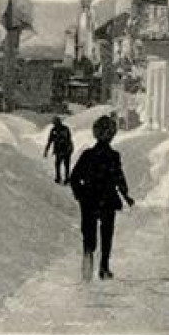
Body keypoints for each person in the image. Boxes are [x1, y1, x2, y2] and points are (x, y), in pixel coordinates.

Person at [68, 114, 133, 280]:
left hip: (90, 199)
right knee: (106, 234)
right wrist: (126, 195)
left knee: (89, 232)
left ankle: (88, 258)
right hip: (107, 199)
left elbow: (74, 177)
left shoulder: (88, 155)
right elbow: (119, 178)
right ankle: (104, 267)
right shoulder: (113, 156)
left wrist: (80, 194)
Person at [43, 115, 73, 184]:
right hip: (59, 150)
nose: (55, 124)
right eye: (54, 123)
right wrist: (46, 150)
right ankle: (58, 177)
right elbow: (50, 141)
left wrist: (68, 148)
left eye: (56, 123)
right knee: (58, 164)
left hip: (66, 150)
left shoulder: (65, 129)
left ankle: (67, 178)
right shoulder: (53, 130)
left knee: (66, 164)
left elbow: (68, 139)